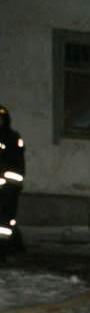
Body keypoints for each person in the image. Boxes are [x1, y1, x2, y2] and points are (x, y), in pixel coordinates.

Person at [0, 104, 25, 256]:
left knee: (5, 221)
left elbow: (16, 162)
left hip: (9, 187)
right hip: (7, 185)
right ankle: (15, 246)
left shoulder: (13, 138)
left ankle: (3, 249)